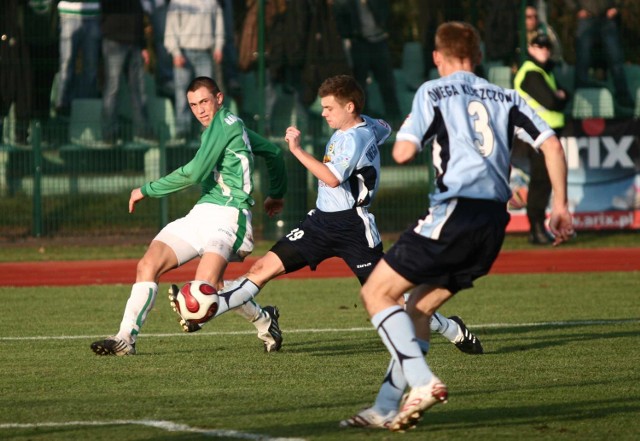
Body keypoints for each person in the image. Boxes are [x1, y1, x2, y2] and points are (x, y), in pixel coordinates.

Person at [348, 22, 574, 432]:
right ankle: (384, 406)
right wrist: (559, 205)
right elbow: (552, 144)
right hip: (493, 226)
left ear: (437, 56)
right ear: (479, 56)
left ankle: (422, 381)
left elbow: (401, 152)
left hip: (454, 213)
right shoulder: (507, 95)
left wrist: (404, 136)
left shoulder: (432, 91)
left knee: (376, 292)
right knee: (417, 309)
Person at [168, 74, 484, 358]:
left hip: (353, 228)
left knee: (392, 299)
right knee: (263, 268)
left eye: (329, 108)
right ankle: (211, 309)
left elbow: (332, 178)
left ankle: (451, 328)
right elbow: (385, 129)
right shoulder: (368, 125)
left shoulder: (353, 137)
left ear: (349, 106)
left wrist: (297, 149)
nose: (323, 113)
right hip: (320, 223)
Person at [90, 76, 287, 356]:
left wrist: (147, 189)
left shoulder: (224, 126)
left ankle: (257, 319)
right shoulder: (230, 125)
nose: (200, 110)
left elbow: (194, 173)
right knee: (149, 264)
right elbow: (274, 153)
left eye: (205, 101)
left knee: (206, 288)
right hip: (201, 214)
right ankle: (125, 338)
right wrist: (276, 193)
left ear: (219, 99)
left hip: (230, 217)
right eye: (193, 105)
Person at [514, 33, 569, 244]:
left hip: (546, 133)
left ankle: (538, 228)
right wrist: (559, 97)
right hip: (536, 135)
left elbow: (566, 94)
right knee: (540, 181)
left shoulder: (544, 71)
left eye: (546, 47)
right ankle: (535, 228)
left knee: (544, 181)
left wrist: (560, 97)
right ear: (530, 49)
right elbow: (552, 101)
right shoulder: (531, 73)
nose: (544, 50)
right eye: (539, 46)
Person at [332, 0, 402, 127]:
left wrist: (386, 27)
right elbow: (341, 18)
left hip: (379, 40)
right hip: (360, 42)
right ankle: (364, 122)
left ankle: (395, 119)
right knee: (360, 85)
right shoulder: (347, 4)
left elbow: (386, 11)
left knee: (387, 83)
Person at [164, 0, 225, 140]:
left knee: (206, 96)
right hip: (183, 53)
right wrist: (176, 53)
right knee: (182, 93)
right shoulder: (177, 2)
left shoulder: (212, 2)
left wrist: (218, 47)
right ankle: (182, 131)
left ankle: (207, 130)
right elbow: (170, 30)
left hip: (205, 52)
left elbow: (219, 25)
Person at [100, 0, 156, 146]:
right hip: (114, 40)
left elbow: (139, 15)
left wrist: (143, 45)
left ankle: (143, 131)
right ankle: (109, 133)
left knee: (139, 90)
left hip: (135, 43)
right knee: (113, 88)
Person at [564, 0, 634, 110]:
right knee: (583, 58)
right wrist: (576, 9)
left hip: (607, 18)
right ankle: (579, 97)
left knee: (615, 57)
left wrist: (616, 7)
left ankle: (623, 95)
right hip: (586, 18)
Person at [55, 0, 101, 117]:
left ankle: (86, 109)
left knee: (91, 67)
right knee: (66, 65)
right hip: (68, 13)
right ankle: (63, 107)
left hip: (93, 13)